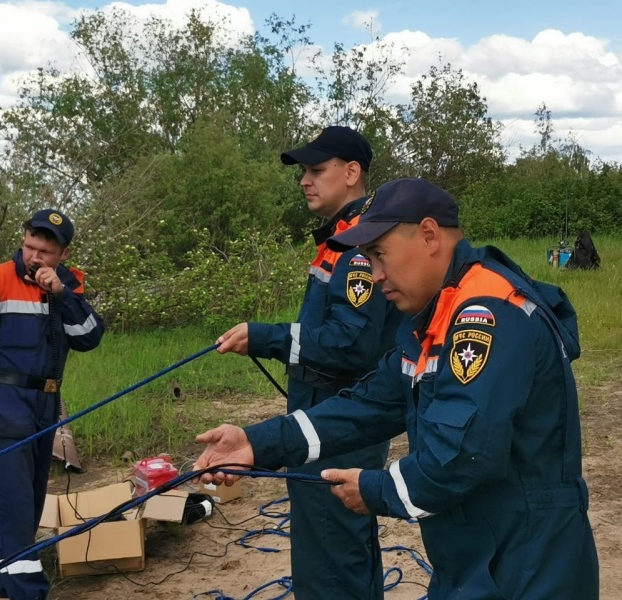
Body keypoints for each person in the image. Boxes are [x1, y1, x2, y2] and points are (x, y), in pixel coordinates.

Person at [197, 178, 599, 600]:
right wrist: (257, 443)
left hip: (528, 561)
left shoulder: (486, 313)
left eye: (379, 254)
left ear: (429, 235)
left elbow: (462, 456)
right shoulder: (437, 315)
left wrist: (375, 489)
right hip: (475, 553)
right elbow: (371, 402)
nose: (375, 274)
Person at [215, 126, 403, 599]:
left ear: (352, 173)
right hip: (319, 404)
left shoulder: (358, 249)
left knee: (329, 553)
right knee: (341, 542)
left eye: (317, 170)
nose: (305, 180)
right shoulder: (338, 239)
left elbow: (351, 343)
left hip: (337, 414)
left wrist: (267, 338)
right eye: (304, 171)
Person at [0, 209, 105, 600]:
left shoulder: (68, 285)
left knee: (26, 500)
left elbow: (89, 337)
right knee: (15, 502)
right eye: (30, 246)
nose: (35, 257)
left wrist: (62, 295)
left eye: (45, 251)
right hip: (2, 403)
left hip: (46, 404)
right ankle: (27, 592)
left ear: (62, 254)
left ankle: (1, 583)